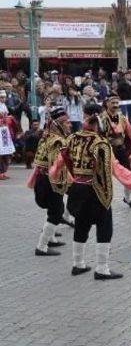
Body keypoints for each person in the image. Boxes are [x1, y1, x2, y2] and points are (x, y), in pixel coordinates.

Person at [49, 103, 131, 279]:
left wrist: (55, 177)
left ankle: (78, 264)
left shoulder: (72, 139)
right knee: (104, 227)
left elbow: (60, 161)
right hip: (96, 191)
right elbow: (115, 167)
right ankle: (102, 268)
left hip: (77, 189)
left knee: (81, 225)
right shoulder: (101, 144)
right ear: (98, 126)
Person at [27, 107, 71, 256]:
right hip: (50, 180)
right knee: (56, 212)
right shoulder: (57, 141)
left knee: (54, 208)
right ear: (59, 124)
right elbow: (56, 165)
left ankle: (50, 238)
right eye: (66, 122)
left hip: (43, 178)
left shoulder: (46, 137)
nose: (69, 124)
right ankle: (42, 246)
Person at [100, 93, 131, 208]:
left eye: (117, 103)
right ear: (107, 103)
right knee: (104, 177)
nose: (115, 105)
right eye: (113, 103)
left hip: (120, 150)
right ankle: (103, 200)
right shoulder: (101, 119)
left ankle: (127, 198)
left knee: (128, 173)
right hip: (106, 152)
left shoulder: (123, 119)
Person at [0, 107, 21, 180]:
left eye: (4, 112)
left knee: (7, 157)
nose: (3, 113)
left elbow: (16, 127)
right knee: (1, 158)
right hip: (1, 143)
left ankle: (3, 173)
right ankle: (1, 174)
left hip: (8, 141)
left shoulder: (10, 119)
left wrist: (17, 134)